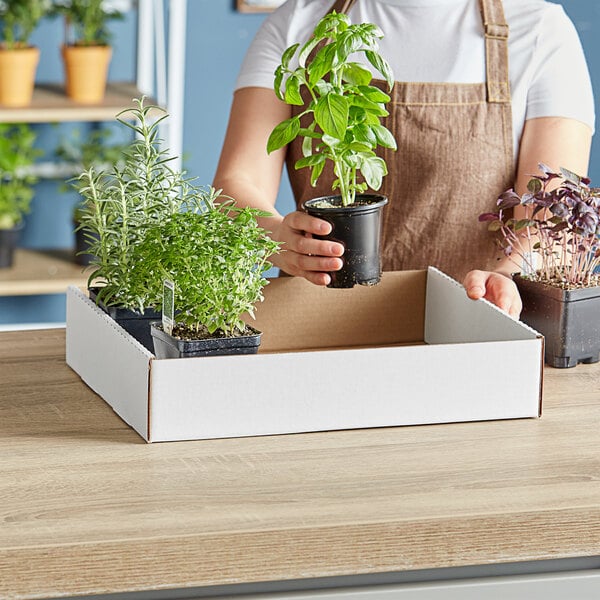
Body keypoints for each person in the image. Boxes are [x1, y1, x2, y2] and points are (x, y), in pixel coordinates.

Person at [213, 0, 595, 317]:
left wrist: (507, 276)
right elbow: (234, 185)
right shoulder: (296, 24)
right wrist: (279, 238)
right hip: (316, 323)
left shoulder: (541, 30)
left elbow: (553, 217)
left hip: (471, 322)